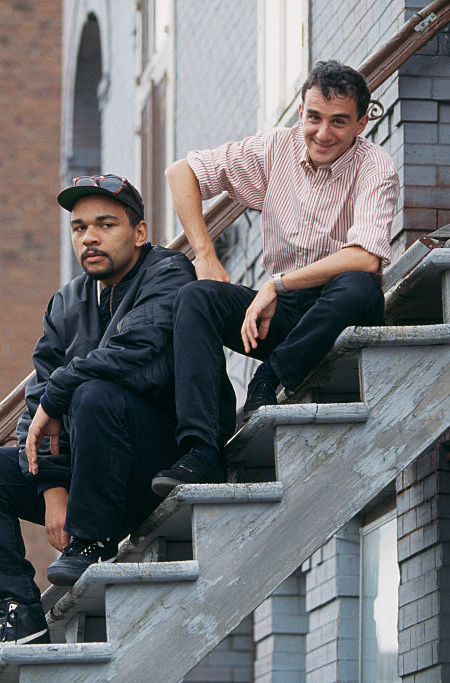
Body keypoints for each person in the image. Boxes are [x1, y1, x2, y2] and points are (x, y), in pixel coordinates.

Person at [0, 175, 195, 674]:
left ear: (139, 232)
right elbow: (37, 403)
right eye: (79, 228)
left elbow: (137, 356)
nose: (89, 238)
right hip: (87, 476)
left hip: (155, 465)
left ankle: (93, 542)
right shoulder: (69, 301)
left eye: (105, 225)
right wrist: (54, 487)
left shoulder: (169, 274)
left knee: (98, 392)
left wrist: (60, 391)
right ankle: (18, 616)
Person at [151, 60, 400, 495]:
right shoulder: (275, 149)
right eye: (314, 117)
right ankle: (201, 450)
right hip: (281, 316)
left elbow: (364, 260)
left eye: (339, 122)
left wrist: (276, 284)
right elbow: (181, 172)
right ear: (301, 112)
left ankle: (269, 378)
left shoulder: (375, 165)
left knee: (357, 287)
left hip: (336, 310)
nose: (323, 133)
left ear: (361, 123)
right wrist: (206, 256)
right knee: (195, 297)